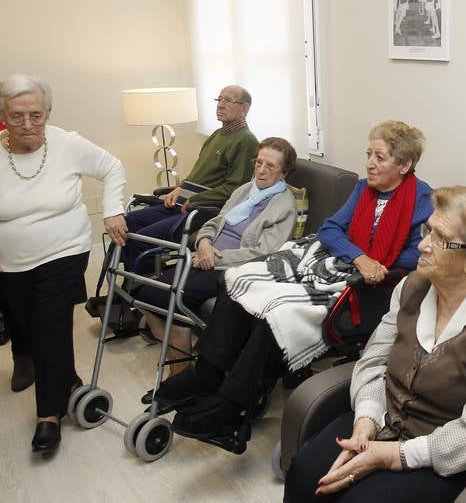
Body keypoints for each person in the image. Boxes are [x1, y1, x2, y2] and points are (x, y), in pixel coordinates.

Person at [152, 121, 433, 442]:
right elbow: (330, 230)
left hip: (370, 291)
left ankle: (233, 406)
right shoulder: (363, 189)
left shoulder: (421, 201)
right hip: (339, 262)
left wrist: (371, 262)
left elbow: (417, 257)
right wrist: (359, 255)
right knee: (238, 279)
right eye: (368, 154)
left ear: (404, 164)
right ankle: (208, 373)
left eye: (380, 158)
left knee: (276, 311)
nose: (369, 163)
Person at [283, 185, 466, 503]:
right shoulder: (411, 286)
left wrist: (394, 455)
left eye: (439, 237)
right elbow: (374, 360)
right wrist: (366, 418)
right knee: (305, 472)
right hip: (386, 421)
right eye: (427, 230)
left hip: (452, 454)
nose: (422, 245)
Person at [0, 74, 127, 454]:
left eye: (36, 115)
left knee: (49, 326)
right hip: (11, 262)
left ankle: (49, 417)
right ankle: (68, 382)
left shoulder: (67, 143)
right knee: (29, 327)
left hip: (65, 250)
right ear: (3, 114)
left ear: (48, 113)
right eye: (17, 116)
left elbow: (112, 167)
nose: (27, 125)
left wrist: (113, 210)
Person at [135, 137, 298, 377]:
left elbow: (265, 252)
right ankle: (181, 364)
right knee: (145, 294)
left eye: (270, 166)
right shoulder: (245, 191)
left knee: (173, 299)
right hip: (205, 256)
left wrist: (214, 258)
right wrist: (203, 243)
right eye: (259, 162)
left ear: (283, 173)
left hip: (231, 269)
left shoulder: (284, 206)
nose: (261, 170)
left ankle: (178, 373)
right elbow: (215, 222)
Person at [122, 84, 258, 274]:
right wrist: (179, 189)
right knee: (126, 222)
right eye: (219, 99)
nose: (220, 105)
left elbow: (235, 189)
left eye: (228, 100)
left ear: (244, 109)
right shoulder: (218, 135)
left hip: (201, 211)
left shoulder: (246, 141)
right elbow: (198, 174)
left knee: (141, 239)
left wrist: (195, 199)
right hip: (182, 203)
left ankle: (141, 289)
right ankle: (126, 284)